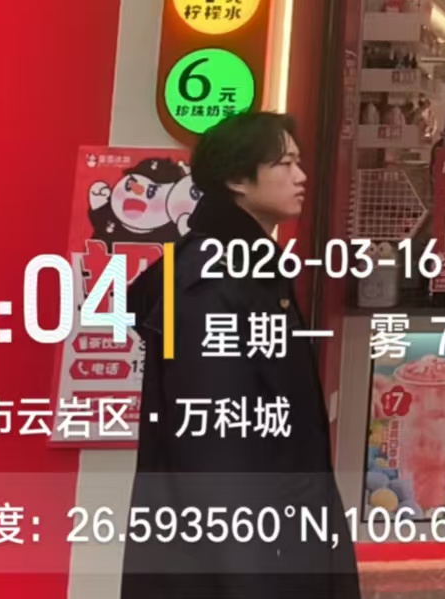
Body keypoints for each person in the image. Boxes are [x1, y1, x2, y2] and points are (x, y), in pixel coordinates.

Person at [120, 111, 358, 599]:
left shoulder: (249, 268)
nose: (301, 176)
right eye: (284, 164)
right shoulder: (212, 284)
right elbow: (216, 451)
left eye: (299, 162)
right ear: (235, 179)